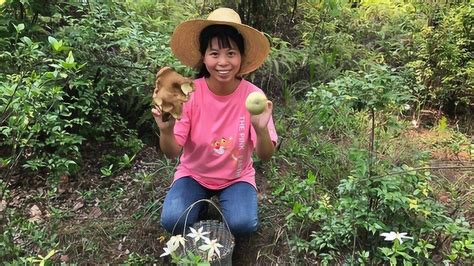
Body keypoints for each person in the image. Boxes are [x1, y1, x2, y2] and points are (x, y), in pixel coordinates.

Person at [152, 7, 278, 237]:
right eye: (214, 53)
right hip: (194, 175)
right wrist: (166, 131)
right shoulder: (189, 93)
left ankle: (220, 207)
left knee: (242, 225)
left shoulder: (253, 96)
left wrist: (260, 130)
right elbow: (172, 152)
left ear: (241, 57)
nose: (223, 62)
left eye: (231, 53)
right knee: (173, 220)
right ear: (203, 56)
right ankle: (199, 206)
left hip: (236, 177)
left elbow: (265, 156)